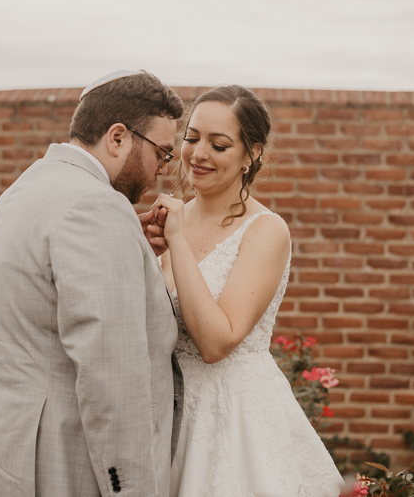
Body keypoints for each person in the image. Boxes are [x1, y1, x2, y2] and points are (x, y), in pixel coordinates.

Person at [0, 70, 185, 497]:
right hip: (64, 467)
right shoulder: (96, 207)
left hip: (6, 456)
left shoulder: (26, 187)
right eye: (162, 152)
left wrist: (129, 253)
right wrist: (133, 489)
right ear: (118, 137)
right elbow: (113, 375)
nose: (162, 170)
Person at [147, 85, 345, 497]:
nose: (198, 154)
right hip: (165, 416)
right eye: (192, 138)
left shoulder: (266, 231)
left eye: (218, 145)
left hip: (234, 421)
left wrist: (178, 243)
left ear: (251, 154)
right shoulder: (168, 222)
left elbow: (217, 342)